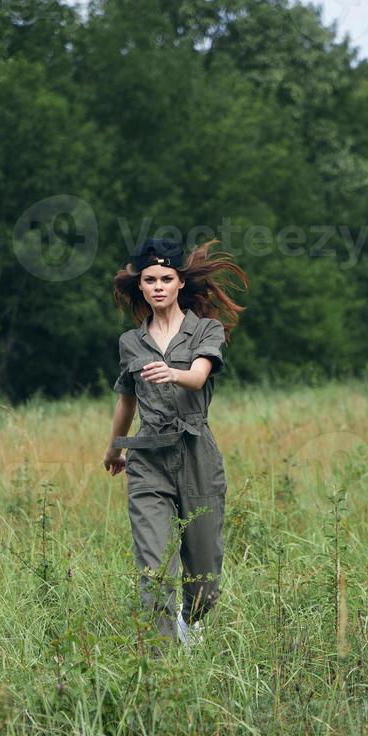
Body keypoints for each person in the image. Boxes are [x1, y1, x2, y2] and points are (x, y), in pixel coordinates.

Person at [103, 237, 248, 655]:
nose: (159, 286)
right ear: (141, 287)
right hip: (148, 457)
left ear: (180, 282)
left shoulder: (206, 329)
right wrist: (114, 449)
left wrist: (172, 373)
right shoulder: (131, 342)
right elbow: (126, 399)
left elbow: (199, 375)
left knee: (204, 581)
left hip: (196, 452)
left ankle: (191, 621)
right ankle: (162, 667)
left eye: (167, 278)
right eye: (150, 280)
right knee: (154, 568)